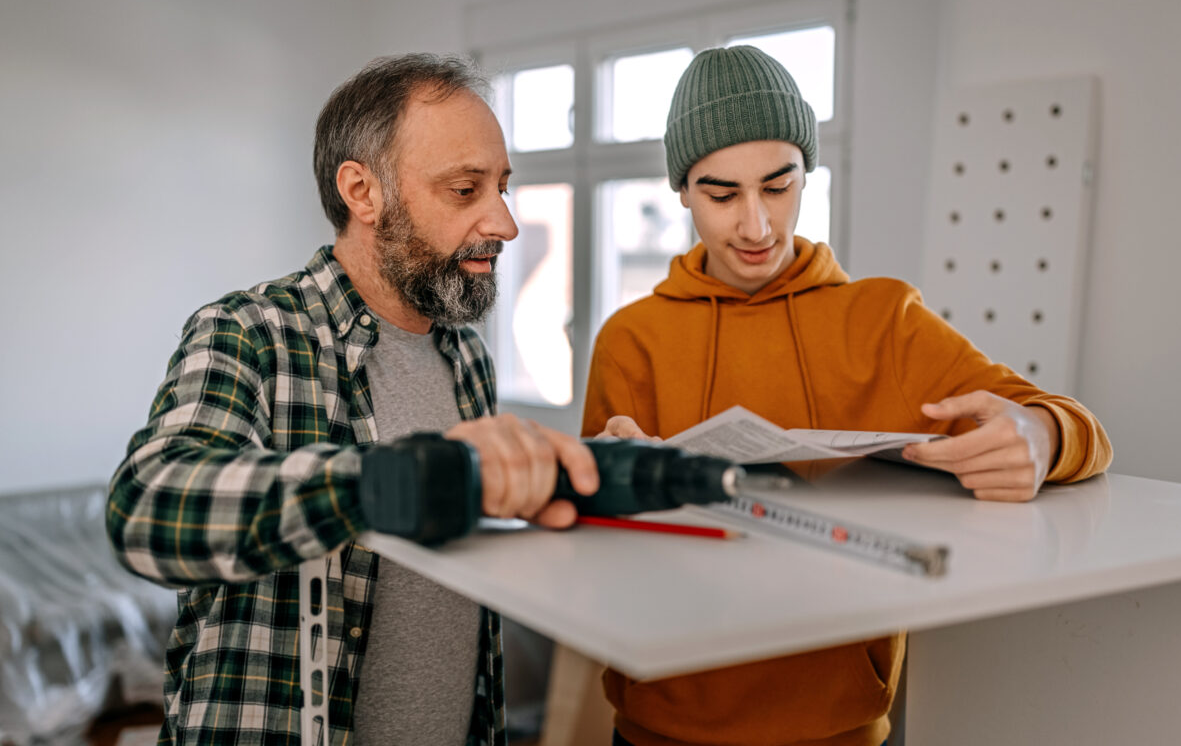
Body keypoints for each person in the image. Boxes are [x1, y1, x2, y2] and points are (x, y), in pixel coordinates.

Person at [582, 45, 1112, 746]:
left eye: (779, 185)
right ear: (681, 190)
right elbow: (585, 546)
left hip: (843, 728)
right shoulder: (632, 339)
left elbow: (1078, 426)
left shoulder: (883, 321)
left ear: (808, 172)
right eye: (721, 194)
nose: (756, 225)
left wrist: (1041, 439)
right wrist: (606, 483)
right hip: (661, 727)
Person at [106, 54, 599, 746]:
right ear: (362, 193)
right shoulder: (252, 332)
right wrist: (385, 480)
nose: (505, 224)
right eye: (465, 191)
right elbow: (147, 509)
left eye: (502, 188)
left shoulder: (469, 363)